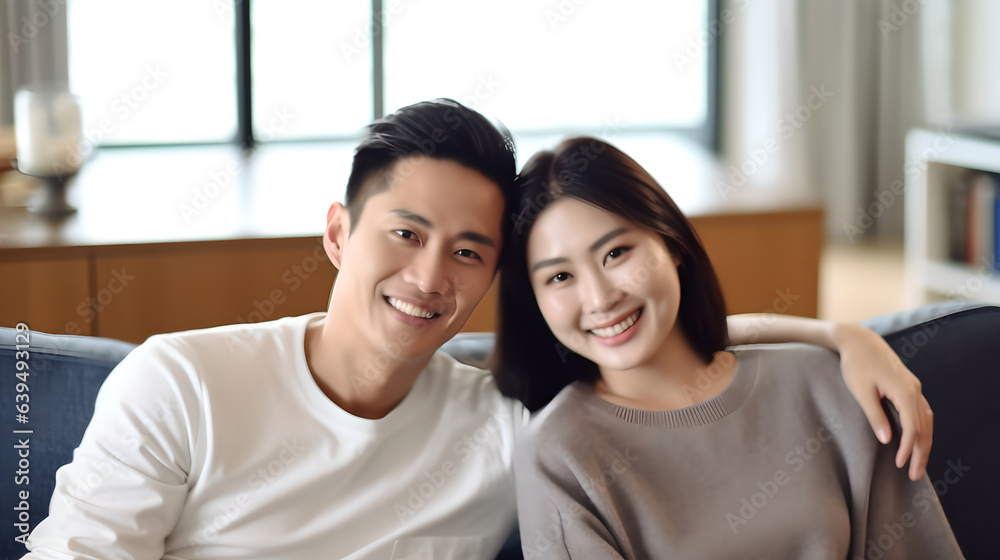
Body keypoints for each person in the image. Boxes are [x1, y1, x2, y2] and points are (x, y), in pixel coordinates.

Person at [22, 101, 934, 560]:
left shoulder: (515, 429)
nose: (428, 278)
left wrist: (838, 336)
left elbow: (637, 344)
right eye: (405, 235)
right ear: (338, 233)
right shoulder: (178, 382)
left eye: (468, 252)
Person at [494, 137, 963, 559]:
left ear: (671, 242)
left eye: (616, 253)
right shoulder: (558, 452)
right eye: (560, 277)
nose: (599, 298)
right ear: (535, 302)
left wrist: (844, 337)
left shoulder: (829, 383)